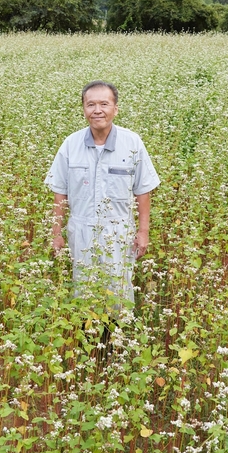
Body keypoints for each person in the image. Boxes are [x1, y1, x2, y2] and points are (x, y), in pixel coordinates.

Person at [45, 80, 160, 308]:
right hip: (81, 231)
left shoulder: (132, 142)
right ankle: (88, 340)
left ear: (115, 109)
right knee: (83, 289)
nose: (97, 110)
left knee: (118, 290)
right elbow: (60, 193)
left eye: (104, 104)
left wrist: (143, 231)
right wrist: (56, 233)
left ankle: (115, 341)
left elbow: (143, 191)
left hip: (118, 232)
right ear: (84, 109)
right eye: (91, 105)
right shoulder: (70, 144)